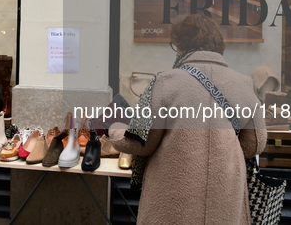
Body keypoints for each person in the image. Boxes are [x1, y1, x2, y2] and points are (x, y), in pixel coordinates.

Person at [109, 14, 266, 224]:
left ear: (180, 45)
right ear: (219, 46)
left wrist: (114, 128)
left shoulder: (165, 82)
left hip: (172, 201)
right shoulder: (244, 84)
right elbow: (254, 145)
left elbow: (140, 142)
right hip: (224, 199)